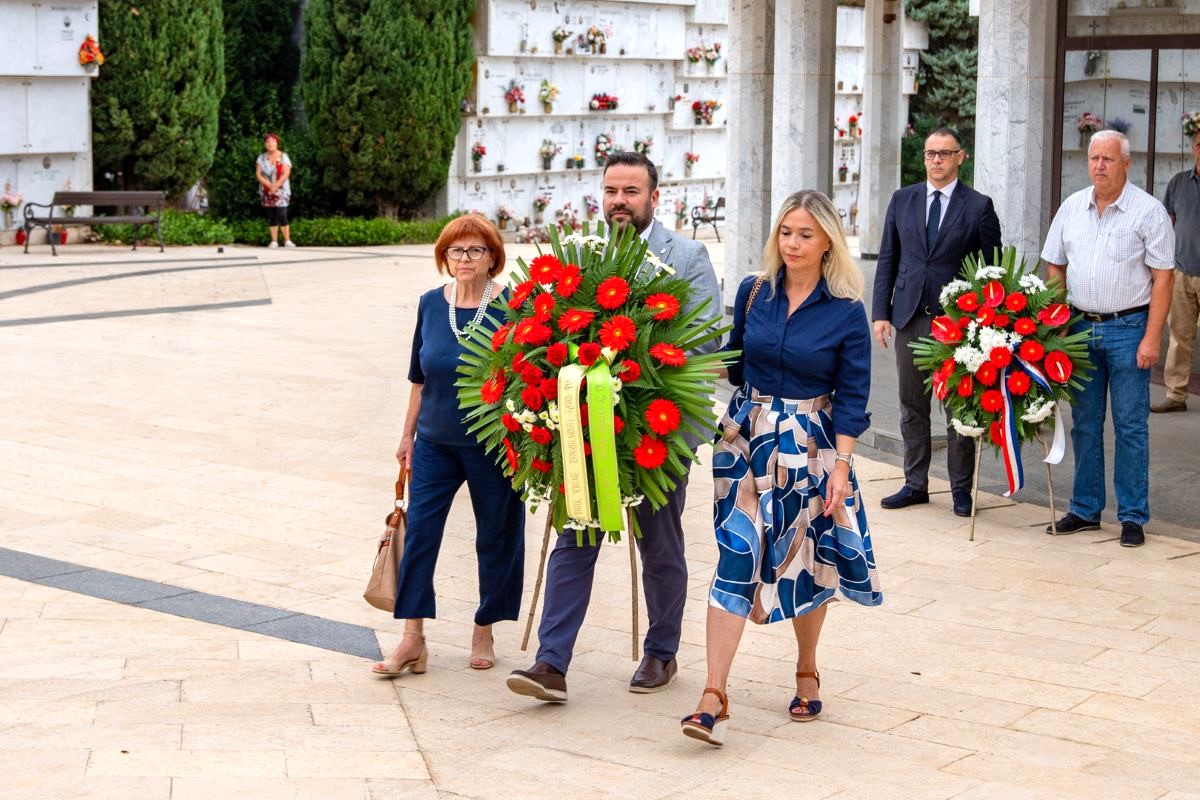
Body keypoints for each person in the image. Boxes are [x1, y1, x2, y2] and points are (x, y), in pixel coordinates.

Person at [506, 152, 722, 702]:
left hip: (658, 432)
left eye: (630, 191)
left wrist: (641, 386)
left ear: (655, 196)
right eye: (610, 191)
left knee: (660, 544)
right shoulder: (585, 255)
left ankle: (661, 651)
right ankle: (550, 664)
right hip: (582, 431)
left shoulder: (688, 255)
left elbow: (704, 343)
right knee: (574, 539)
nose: (618, 201)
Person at [679, 190, 882, 747]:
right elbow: (732, 360)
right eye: (786, 232)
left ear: (827, 243)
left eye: (805, 235)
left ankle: (807, 667)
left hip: (810, 447)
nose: (792, 243)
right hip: (746, 440)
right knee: (736, 552)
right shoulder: (752, 293)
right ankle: (713, 695)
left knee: (805, 563)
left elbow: (853, 394)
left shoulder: (845, 311)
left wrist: (842, 464)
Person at [372, 214, 526, 676]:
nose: (465, 258)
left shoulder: (514, 305)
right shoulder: (430, 304)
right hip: (434, 442)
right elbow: (419, 378)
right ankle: (412, 639)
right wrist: (406, 437)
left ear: (492, 258)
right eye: (456, 251)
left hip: (493, 442)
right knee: (419, 535)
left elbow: (528, 372)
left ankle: (484, 627)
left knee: (497, 536)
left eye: (476, 250)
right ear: (444, 256)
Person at [1041, 130, 1175, 548]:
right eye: (1095, 158)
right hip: (1080, 329)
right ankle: (1085, 509)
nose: (1100, 166)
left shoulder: (1148, 211)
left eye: (1108, 159)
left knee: (1132, 425)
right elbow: (1055, 266)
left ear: (1126, 164)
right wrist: (1059, 320)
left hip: (1130, 329)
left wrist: (1152, 339)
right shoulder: (1071, 208)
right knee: (1085, 424)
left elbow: (1163, 277)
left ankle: (1132, 516)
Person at [872, 127, 1003, 517]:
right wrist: (881, 312)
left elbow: (991, 271)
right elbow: (888, 260)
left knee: (958, 409)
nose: (937, 160)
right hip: (909, 318)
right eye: (931, 154)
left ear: (960, 157)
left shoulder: (979, 206)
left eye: (945, 154)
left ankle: (961, 489)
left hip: (957, 326)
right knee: (912, 406)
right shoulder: (902, 200)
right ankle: (915, 484)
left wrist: (984, 326)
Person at [1154, 129, 1200, 414]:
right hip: (1182, 271)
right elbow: (1166, 223)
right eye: (1199, 144)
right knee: (1179, 337)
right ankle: (1175, 394)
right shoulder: (1179, 183)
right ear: (1194, 148)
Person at [256, 132, 295, 249]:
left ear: (277, 143)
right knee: (271, 215)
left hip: (282, 190)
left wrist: (276, 186)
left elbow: (286, 173)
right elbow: (258, 174)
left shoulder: (284, 156)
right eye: (268, 142)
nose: (270, 144)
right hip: (267, 190)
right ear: (265, 144)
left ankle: (287, 240)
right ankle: (274, 241)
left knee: (282, 214)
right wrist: (269, 185)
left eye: (273, 141)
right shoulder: (261, 157)